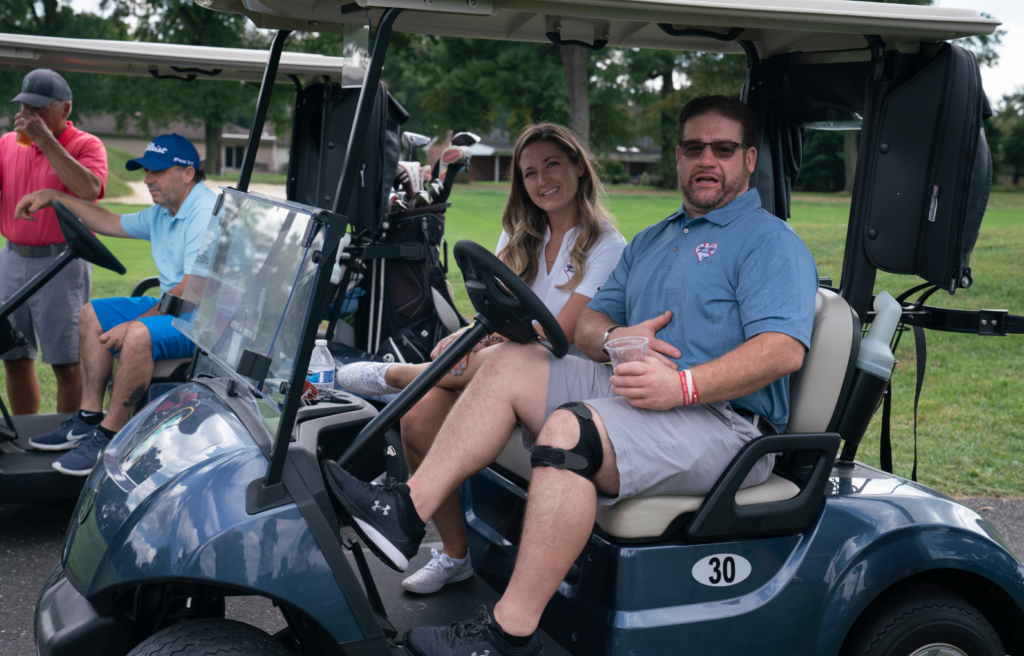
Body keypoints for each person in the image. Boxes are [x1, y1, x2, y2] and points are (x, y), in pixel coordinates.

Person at [322, 95, 819, 656]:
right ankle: (408, 511)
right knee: (510, 362)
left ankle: (509, 635)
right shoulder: (657, 239)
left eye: (723, 149)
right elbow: (589, 324)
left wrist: (684, 384)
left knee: (569, 431)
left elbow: (781, 351)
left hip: (721, 423)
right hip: (640, 393)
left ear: (749, 159)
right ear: (678, 157)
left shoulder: (769, 242)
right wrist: (616, 340)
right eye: (695, 148)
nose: (708, 160)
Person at [336, 122, 626, 594]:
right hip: (509, 371)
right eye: (529, 172)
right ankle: (455, 555)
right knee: (421, 413)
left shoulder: (606, 247)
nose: (541, 180)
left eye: (552, 164)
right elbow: (495, 317)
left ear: (578, 166)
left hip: (567, 385)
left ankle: (393, 375)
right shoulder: (518, 237)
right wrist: (469, 339)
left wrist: (487, 344)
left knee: (483, 365)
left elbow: (562, 336)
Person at [15, 133, 217, 476]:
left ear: (187, 173)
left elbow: (192, 290)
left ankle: (111, 435)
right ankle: (89, 417)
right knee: (93, 313)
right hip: (176, 308)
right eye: (145, 171)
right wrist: (54, 197)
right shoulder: (164, 212)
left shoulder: (204, 209)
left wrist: (134, 323)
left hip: (205, 320)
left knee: (137, 334)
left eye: (157, 172)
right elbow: (108, 221)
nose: (147, 179)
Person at [0, 69, 108, 415]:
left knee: (65, 362)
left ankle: (62, 438)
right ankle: (25, 436)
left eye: (41, 108)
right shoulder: (6, 144)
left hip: (61, 262)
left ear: (65, 109)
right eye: (25, 107)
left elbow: (89, 189)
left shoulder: (87, 144)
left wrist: (46, 141)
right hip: (12, 258)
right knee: (13, 357)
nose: (30, 116)